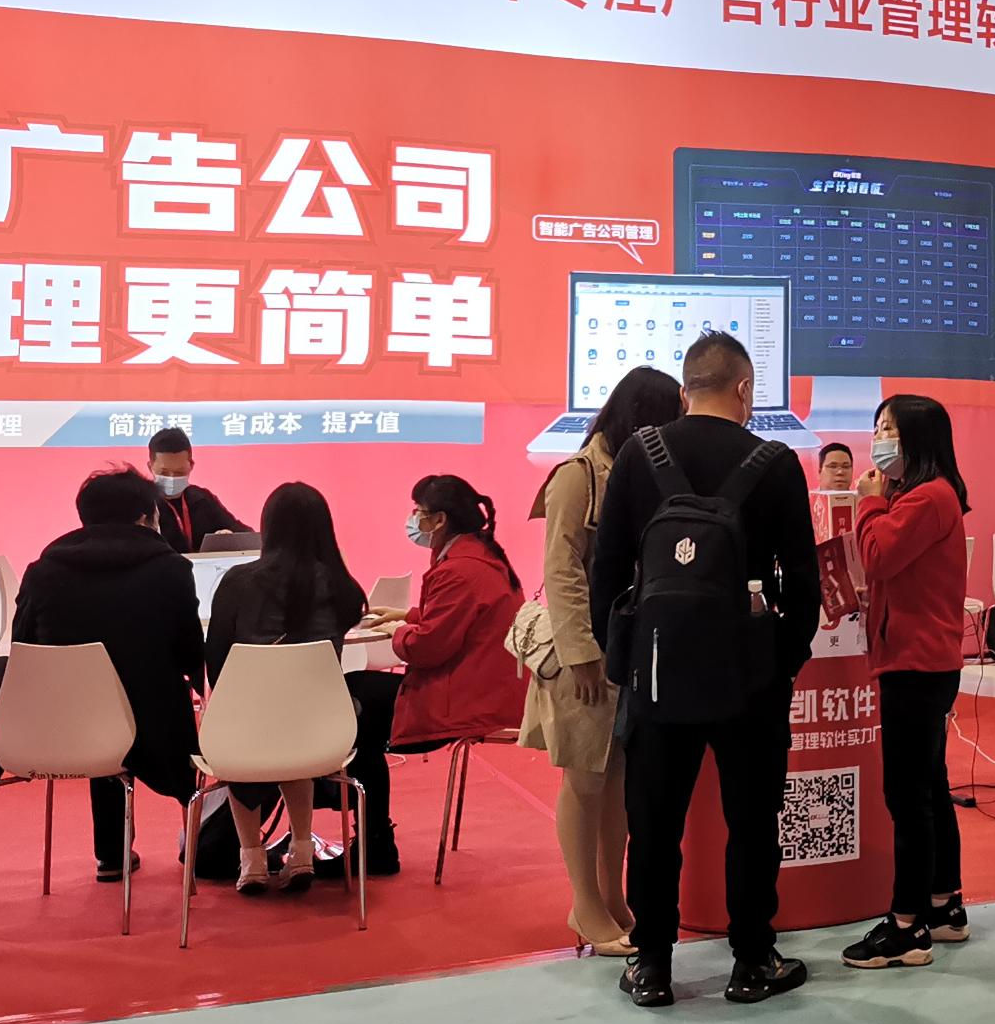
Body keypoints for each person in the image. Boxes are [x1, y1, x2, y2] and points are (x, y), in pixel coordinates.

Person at [591, 333, 821, 1009]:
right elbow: (802, 581)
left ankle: (652, 964)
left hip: (658, 670)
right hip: (748, 675)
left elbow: (607, 570)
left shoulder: (639, 455)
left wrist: (626, 656)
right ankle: (752, 960)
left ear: (687, 387)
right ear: (745, 389)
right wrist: (782, 660)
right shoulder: (775, 463)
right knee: (752, 821)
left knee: (654, 821)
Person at [526, 366, 682, 956]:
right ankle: (585, 904)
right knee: (585, 779)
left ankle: (613, 899)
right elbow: (561, 570)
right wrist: (581, 655)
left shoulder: (639, 473)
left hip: (630, 651)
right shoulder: (578, 475)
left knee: (616, 782)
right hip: (586, 654)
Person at [0, 466, 202, 881]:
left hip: (64, 727)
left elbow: (25, 648)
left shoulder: (43, 571)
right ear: (146, 517)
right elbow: (190, 654)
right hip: (157, 728)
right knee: (130, 691)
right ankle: (193, 842)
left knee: (74, 690)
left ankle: (111, 855)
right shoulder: (171, 570)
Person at [840, 395, 974, 971]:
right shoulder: (923, 497)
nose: (878, 439)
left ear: (917, 438)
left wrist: (867, 504)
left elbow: (877, 557)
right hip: (921, 660)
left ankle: (906, 925)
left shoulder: (926, 497)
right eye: (877, 427)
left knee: (908, 795)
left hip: (916, 664)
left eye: (888, 428)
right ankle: (943, 905)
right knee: (929, 786)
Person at [359, 475, 529, 873]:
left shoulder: (459, 569)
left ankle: (374, 842)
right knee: (358, 698)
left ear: (439, 520)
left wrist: (399, 632)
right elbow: (460, 620)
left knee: (353, 705)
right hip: (482, 687)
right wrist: (409, 616)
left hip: (468, 698)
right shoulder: (479, 557)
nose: (413, 519)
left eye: (418, 512)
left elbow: (428, 649)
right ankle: (371, 839)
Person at [203, 482, 367, 894]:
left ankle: (252, 859)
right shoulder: (342, 588)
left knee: (250, 732)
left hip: (246, 727)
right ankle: (302, 850)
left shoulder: (237, 582)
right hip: (323, 728)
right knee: (297, 730)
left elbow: (217, 661)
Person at [146, 426, 245, 554]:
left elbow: (245, 534)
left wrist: (229, 536)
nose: (172, 477)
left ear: (191, 466)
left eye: (179, 472)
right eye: (164, 472)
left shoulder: (202, 498)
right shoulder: (143, 503)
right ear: (150, 467)